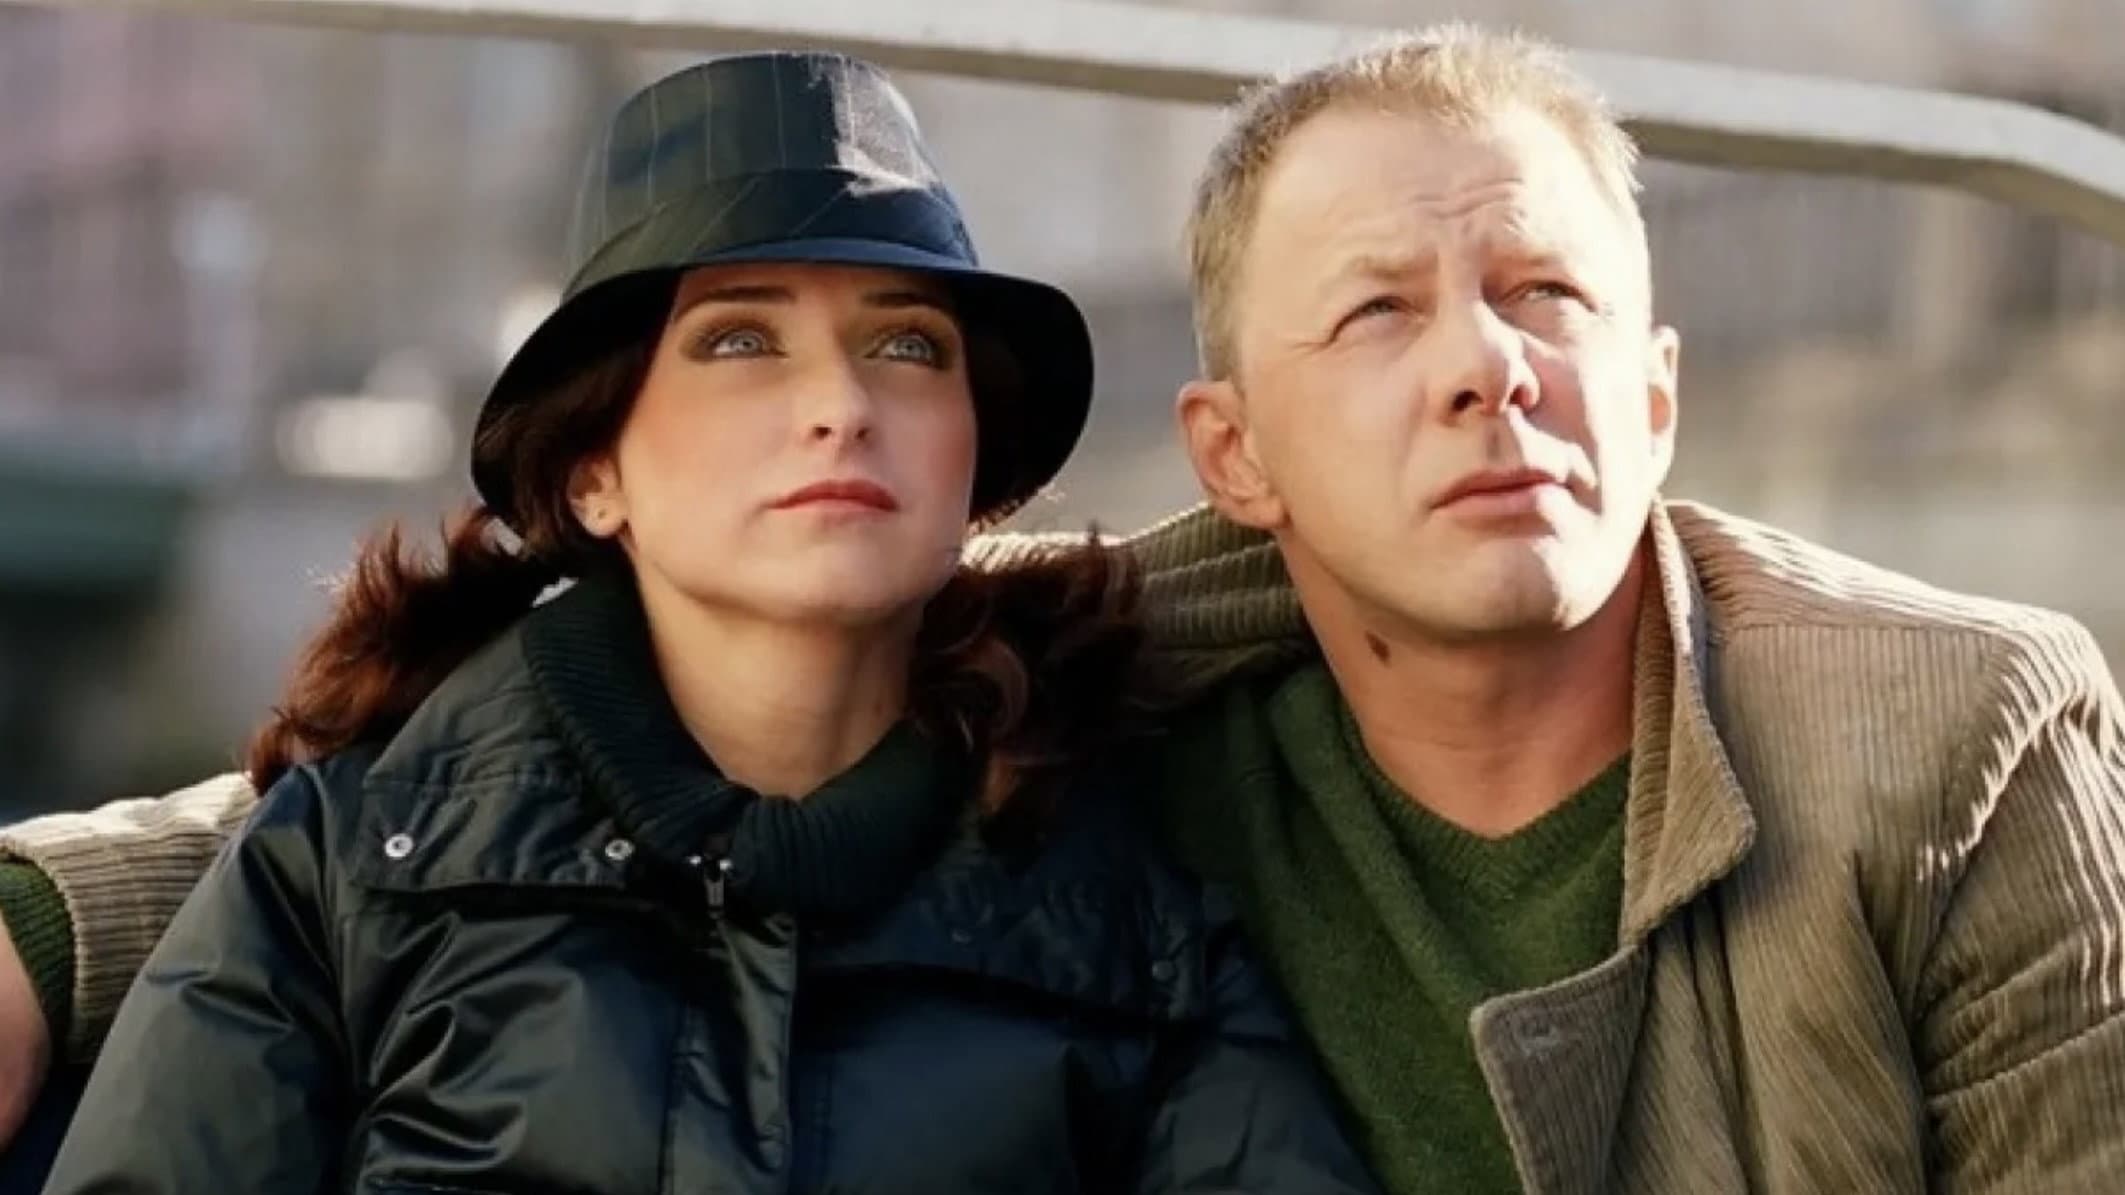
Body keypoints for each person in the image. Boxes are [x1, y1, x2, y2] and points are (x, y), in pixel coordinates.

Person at [6, 21, 2125, 1194]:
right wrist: (37, 922)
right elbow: (483, 784)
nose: (1487, 371)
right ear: (1234, 456)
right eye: (1376, 312)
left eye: (1546, 294)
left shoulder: (1955, 739)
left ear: (1657, 395)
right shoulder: (383, 846)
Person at [17, 51, 1378, 1195]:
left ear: (974, 470)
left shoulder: (1134, 924)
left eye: (908, 345)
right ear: (593, 473)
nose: (840, 404)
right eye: (739, 341)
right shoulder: (341, 871)